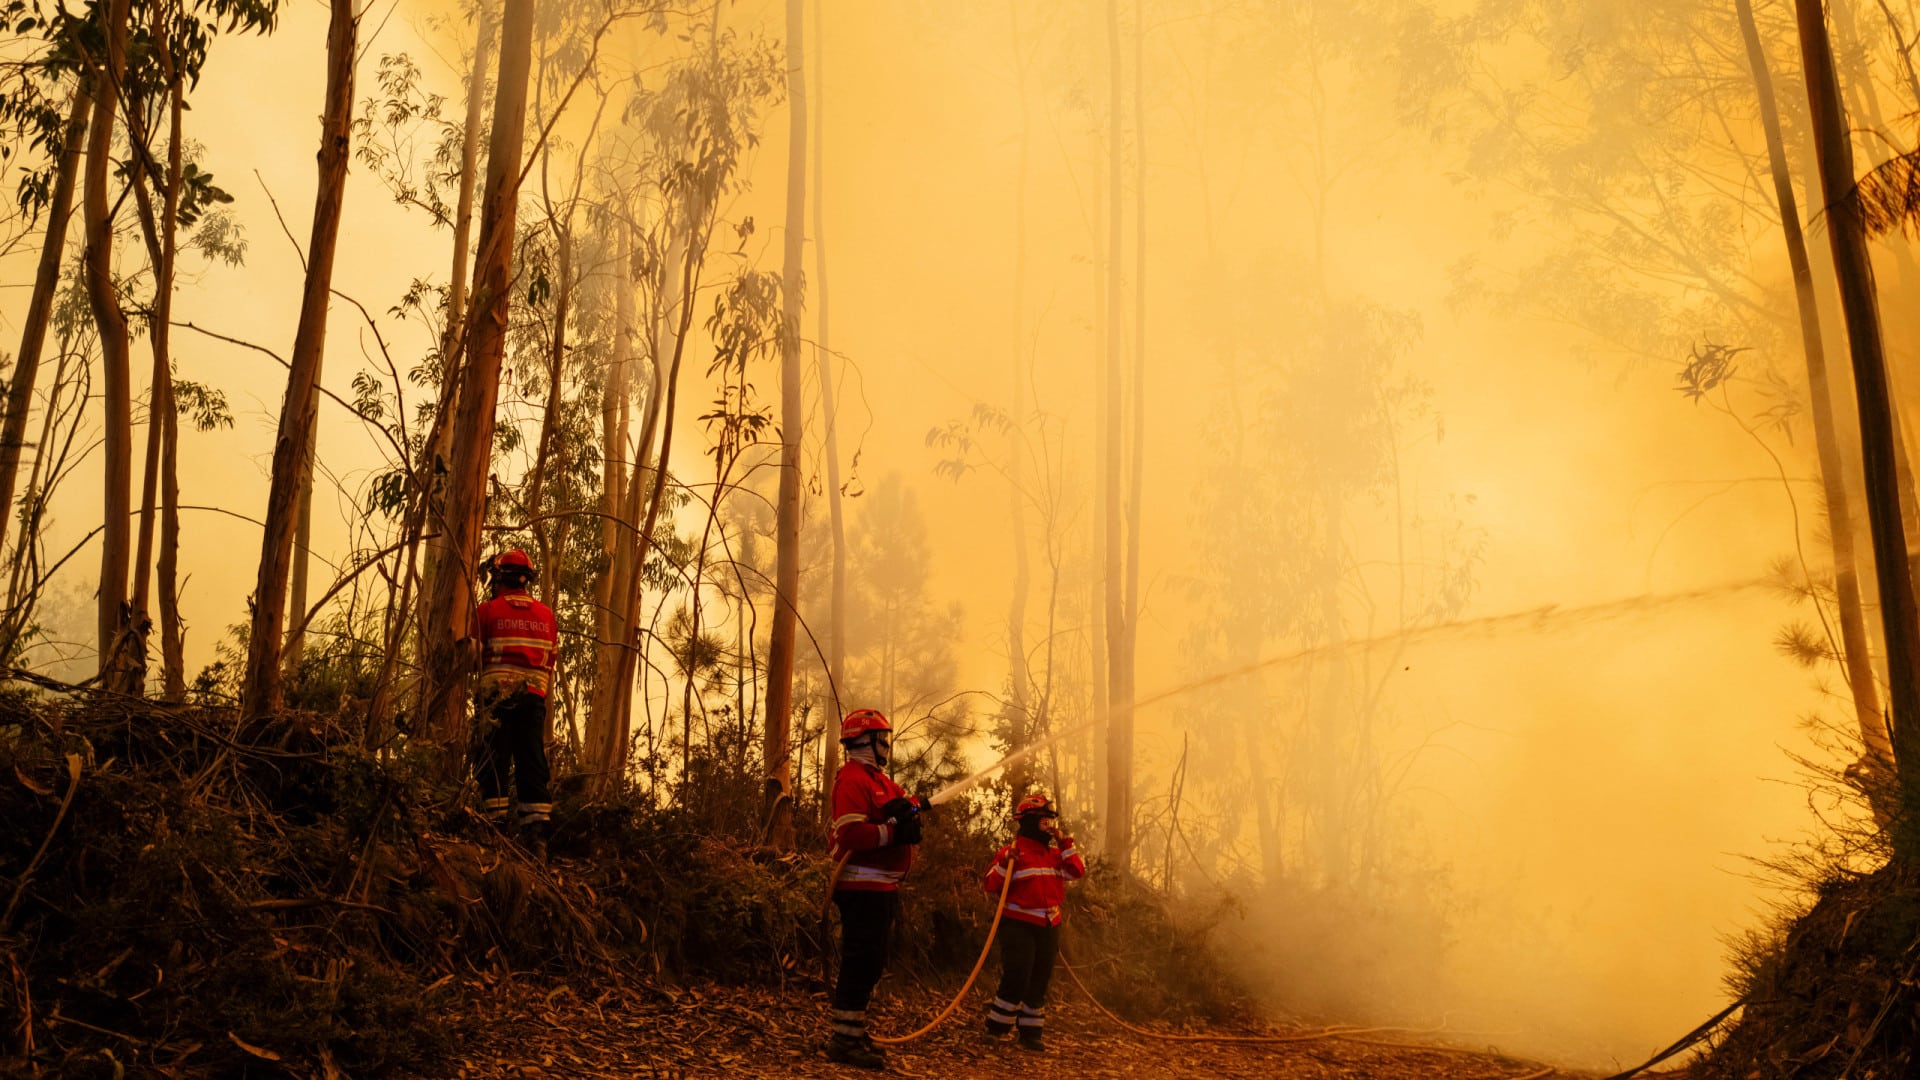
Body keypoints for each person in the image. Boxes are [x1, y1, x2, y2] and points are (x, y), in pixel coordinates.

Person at [825, 708, 929, 1069]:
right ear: (864, 740)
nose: (886, 745)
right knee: (861, 960)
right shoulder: (852, 779)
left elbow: (901, 807)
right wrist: (893, 833)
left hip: (881, 889)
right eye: (881, 738)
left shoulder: (880, 782)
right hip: (859, 886)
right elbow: (850, 833)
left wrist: (913, 808)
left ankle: (854, 1030)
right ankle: (843, 1040)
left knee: (872, 962)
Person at [982, 793, 1086, 1052]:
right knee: (1018, 973)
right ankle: (996, 1029)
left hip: (1049, 925)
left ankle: (1030, 1033)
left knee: (1040, 978)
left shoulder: (1053, 854)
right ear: (1030, 820)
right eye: (1045, 819)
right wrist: (1007, 863)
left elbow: (1076, 871)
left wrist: (1066, 844)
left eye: (1051, 819)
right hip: (1018, 924)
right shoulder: (1012, 852)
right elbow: (990, 883)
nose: (1050, 824)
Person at [471, 549, 558, 840]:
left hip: (495, 698)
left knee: (494, 759)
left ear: (499, 578)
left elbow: (471, 657)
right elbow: (551, 660)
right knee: (532, 760)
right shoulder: (546, 616)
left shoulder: (486, 611)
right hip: (533, 700)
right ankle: (536, 834)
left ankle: (491, 829)